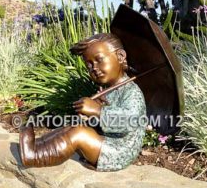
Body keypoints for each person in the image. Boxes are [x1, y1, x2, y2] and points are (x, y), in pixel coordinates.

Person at [19, 33, 147, 171]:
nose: (94, 68)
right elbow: (102, 123)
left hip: (118, 150)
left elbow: (129, 121)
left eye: (99, 59)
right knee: (73, 126)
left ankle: (34, 156)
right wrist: (91, 116)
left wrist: (98, 111)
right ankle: (38, 145)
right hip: (106, 140)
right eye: (89, 65)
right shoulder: (110, 90)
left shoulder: (132, 92)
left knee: (79, 133)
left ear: (120, 57)